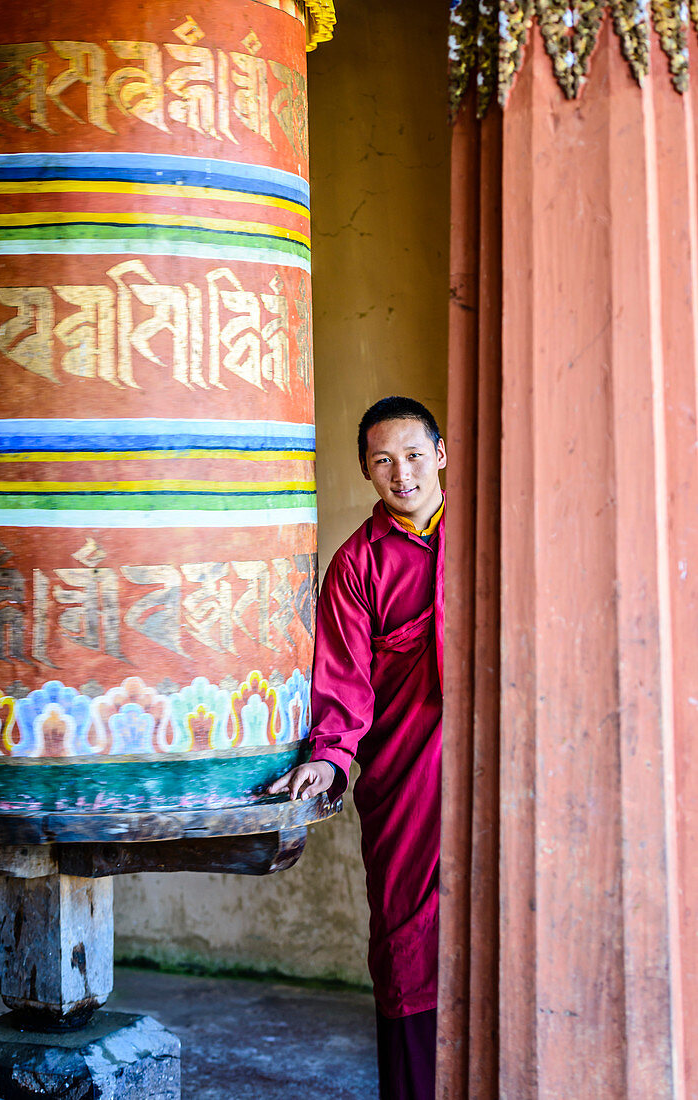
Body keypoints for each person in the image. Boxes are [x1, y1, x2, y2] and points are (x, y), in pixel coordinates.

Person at [268, 395, 446, 1100]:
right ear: (367, 473)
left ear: (440, 453)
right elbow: (343, 684)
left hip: (503, 772)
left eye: (411, 455)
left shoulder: (496, 527)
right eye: (382, 461)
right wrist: (328, 756)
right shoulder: (358, 565)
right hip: (408, 779)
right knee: (407, 942)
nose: (400, 473)